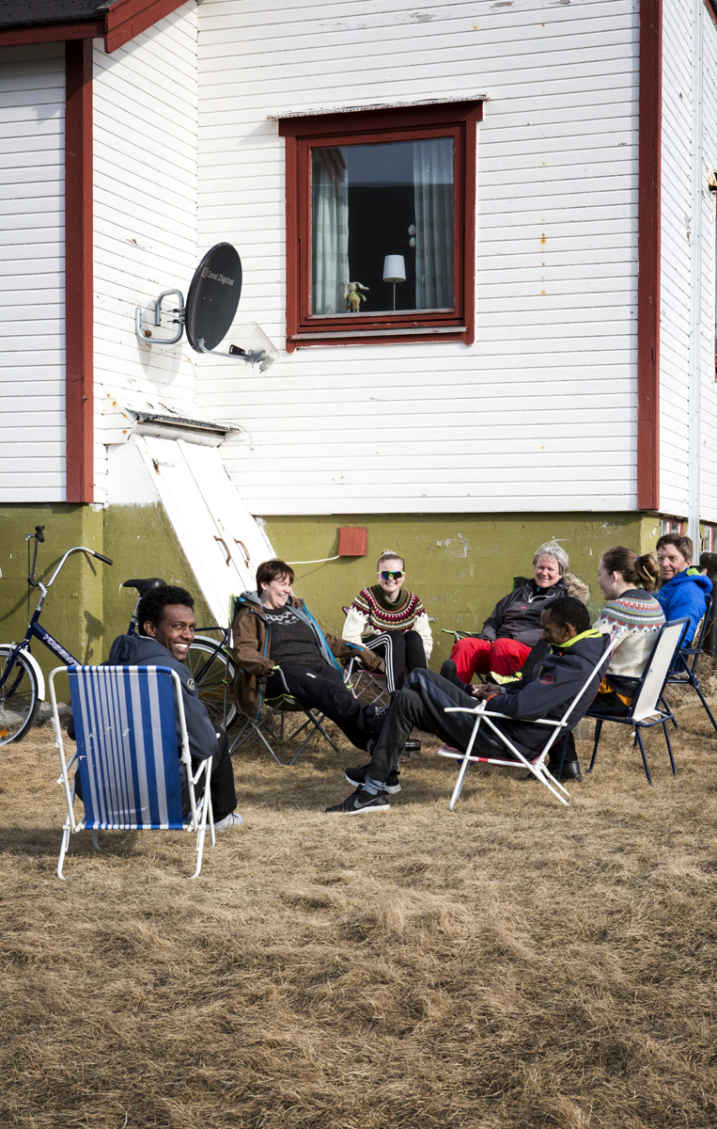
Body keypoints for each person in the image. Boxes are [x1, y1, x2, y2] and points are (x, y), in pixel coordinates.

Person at [327, 597, 609, 814]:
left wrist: (490, 698)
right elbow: (531, 693)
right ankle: (377, 782)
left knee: (418, 678)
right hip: (503, 726)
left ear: (568, 629)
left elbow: (524, 707)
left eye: (547, 630)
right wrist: (499, 688)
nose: (543, 636)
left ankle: (379, 767)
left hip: (504, 738)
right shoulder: (578, 650)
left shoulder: (574, 664)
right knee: (405, 698)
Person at [107, 584, 242, 831]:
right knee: (216, 734)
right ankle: (220, 816)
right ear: (150, 628)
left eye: (191, 627)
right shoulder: (168, 672)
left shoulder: (104, 670)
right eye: (178, 626)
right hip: (157, 799)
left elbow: (75, 729)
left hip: (101, 792)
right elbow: (204, 745)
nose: (189, 635)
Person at [232, 559, 389, 752]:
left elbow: (327, 641)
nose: (288, 590)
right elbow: (243, 650)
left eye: (289, 585)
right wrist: (269, 667)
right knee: (325, 689)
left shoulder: (298, 612)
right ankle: (372, 717)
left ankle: (373, 744)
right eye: (282, 584)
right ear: (264, 584)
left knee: (335, 690)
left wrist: (364, 654)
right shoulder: (250, 615)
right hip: (281, 673)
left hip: (317, 668)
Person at [441, 541, 589, 686]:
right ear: (534, 568)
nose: (544, 573)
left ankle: (497, 699)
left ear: (560, 573)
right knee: (466, 645)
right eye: (540, 567)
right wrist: (487, 638)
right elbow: (493, 620)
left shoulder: (563, 600)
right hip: (499, 646)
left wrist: (513, 638)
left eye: (550, 569)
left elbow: (556, 633)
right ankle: (449, 695)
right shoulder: (518, 593)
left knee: (503, 646)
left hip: (532, 654)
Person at [341, 549, 433, 694]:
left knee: (414, 637)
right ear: (378, 576)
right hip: (371, 648)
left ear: (403, 576)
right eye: (385, 574)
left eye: (396, 574)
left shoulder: (414, 602)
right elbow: (350, 637)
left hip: (400, 653)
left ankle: (422, 696)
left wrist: (418, 660)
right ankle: (396, 697)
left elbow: (425, 639)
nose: (391, 579)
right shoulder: (367, 597)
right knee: (394, 637)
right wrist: (371, 660)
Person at [592, 547, 665, 715]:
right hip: (645, 695)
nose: (598, 580)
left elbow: (591, 652)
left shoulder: (619, 610)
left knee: (553, 701)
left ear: (614, 576)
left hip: (616, 696)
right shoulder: (654, 604)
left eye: (600, 574)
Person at [654, 534, 712, 644]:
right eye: (661, 558)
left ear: (688, 562)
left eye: (672, 558)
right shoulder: (672, 585)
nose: (664, 564)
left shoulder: (689, 592)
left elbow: (674, 640)